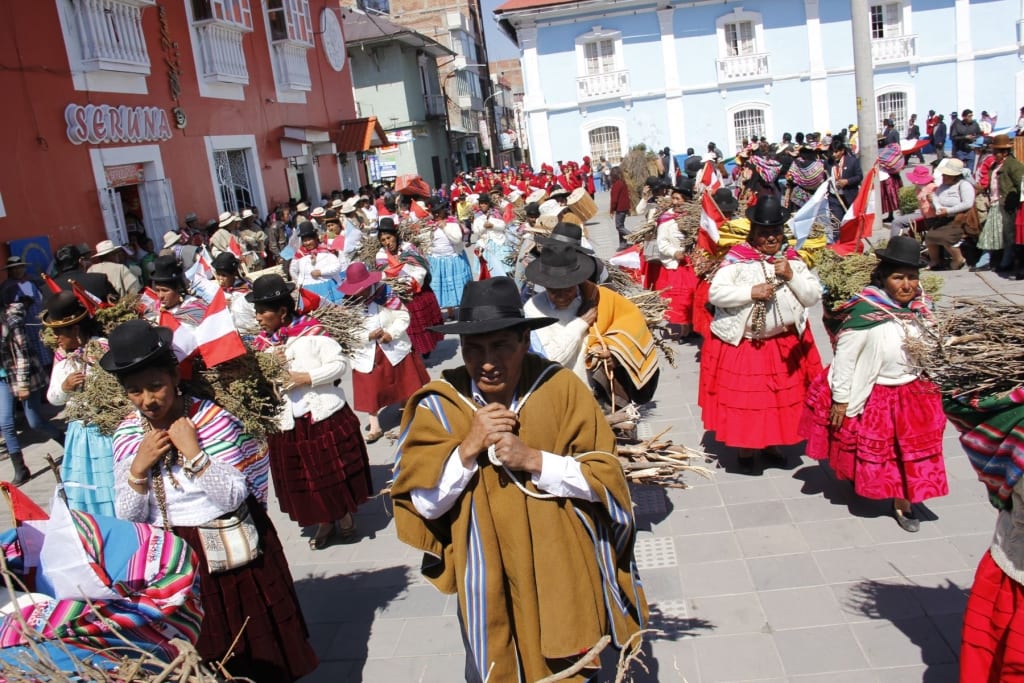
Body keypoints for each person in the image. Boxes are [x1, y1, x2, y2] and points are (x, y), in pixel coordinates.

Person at [390, 277, 648, 682]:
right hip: (485, 567)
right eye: (474, 350)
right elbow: (422, 504)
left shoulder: (560, 388)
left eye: (501, 347)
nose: (487, 362)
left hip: (560, 560)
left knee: (569, 665)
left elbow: (606, 478)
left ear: (524, 343)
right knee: (496, 661)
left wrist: (535, 460)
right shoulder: (441, 404)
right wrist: (467, 448)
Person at [105, 320, 317, 681]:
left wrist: (195, 455)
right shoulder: (128, 435)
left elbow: (235, 495)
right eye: (134, 391)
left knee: (248, 645)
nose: (148, 400)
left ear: (174, 377)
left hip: (227, 551)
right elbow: (129, 516)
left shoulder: (212, 419)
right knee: (198, 652)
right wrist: (139, 469)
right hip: (172, 560)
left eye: (155, 386)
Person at [799, 237, 947, 532]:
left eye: (912, 277)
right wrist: (840, 399)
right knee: (882, 452)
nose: (906, 285)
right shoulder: (865, 313)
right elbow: (845, 360)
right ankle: (877, 486)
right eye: (898, 277)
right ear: (883, 279)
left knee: (911, 452)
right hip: (877, 394)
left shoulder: (922, 310)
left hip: (914, 392)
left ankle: (904, 503)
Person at [248, 274, 373, 549]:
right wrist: (271, 372)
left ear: (282, 312)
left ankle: (343, 516)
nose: (258, 318)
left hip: (322, 417)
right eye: (256, 312)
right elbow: (259, 386)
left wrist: (307, 377)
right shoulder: (262, 346)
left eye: (262, 311)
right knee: (308, 479)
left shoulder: (312, 333)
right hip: (288, 424)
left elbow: (339, 364)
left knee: (332, 473)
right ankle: (323, 521)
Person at [699, 197, 823, 474]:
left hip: (785, 342)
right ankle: (747, 447)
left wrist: (792, 276)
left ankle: (772, 444)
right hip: (748, 343)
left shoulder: (793, 260)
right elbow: (715, 294)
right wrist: (750, 292)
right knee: (750, 401)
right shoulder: (736, 260)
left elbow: (812, 296)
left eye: (776, 232)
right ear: (753, 234)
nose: (771, 238)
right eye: (765, 233)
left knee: (778, 400)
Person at [524, 244, 659, 407]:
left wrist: (615, 356)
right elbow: (550, 359)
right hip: (563, 400)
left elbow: (629, 330)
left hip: (602, 395)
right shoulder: (533, 309)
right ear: (545, 285)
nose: (561, 296)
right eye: (554, 291)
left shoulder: (600, 298)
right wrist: (580, 324)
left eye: (568, 289)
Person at [340, 262, 429, 443]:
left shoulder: (385, 294)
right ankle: (375, 425)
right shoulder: (348, 304)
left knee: (403, 380)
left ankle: (407, 409)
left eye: (362, 288)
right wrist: (367, 335)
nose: (359, 292)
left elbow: (403, 316)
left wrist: (391, 333)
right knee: (370, 388)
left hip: (392, 345)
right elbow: (348, 332)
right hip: (366, 351)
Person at [45, 292, 117, 516]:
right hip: (80, 434)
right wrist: (65, 388)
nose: (57, 338)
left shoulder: (103, 349)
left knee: (109, 481)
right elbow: (52, 397)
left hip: (106, 431)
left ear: (75, 330)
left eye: (59, 333)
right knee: (85, 485)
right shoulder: (63, 360)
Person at [0, 286, 64, 485]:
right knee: (6, 423)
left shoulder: (12, 321)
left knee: (35, 422)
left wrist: (22, 385)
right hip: (4, 377)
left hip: (25, 375)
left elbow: (22, 354)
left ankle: (65, 441)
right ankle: (21, 469)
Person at [375, 217, 444, 357]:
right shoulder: (381, 255)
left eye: (389, 238)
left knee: (423, 323)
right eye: (383, 240)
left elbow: (421, 267)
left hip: (417, 290)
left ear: (395, 236)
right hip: (400, 294)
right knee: (408, 325)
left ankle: (426, 348)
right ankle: (414, 350)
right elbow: (382, 274)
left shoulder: (408, 248)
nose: (387, 242)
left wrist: (413, 281)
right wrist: (397, 285)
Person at [923, 158, 975, 270]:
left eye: (946, 175)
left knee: (946, 237)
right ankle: (935, 260)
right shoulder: (942, 186)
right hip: (943, 218)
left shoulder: (964, 185)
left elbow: (968, 203)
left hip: (958, 218)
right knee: (930, 237)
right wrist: (933, 203)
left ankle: (958, 259)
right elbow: (937, 201)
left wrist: (949, 211)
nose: (943, 177)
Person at [425, 198, 471, 316]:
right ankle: (450, 312)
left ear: (443, 211)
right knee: (442, 287)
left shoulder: (452, 223)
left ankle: (465, 311)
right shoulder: (429, 225)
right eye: (434, 212)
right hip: (437, 261)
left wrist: (445, 227)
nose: (436, 214)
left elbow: (457, 239)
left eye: (438, 211)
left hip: (454, 259)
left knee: (458, 287)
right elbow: (426, 243)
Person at [290, 220, 343, 303]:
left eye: (309, 239)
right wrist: (300, 283)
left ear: (315, 238)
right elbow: (293, 270)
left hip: (328, 288)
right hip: (309, 291)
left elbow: (337, 267)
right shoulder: (300, 255)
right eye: (305, 240)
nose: (307, 243)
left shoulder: (325, 250)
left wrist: (321, 272)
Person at [150, 255, 208, 326]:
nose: (160, 296)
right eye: (157, 290)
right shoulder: (153, 309)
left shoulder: (196, 310)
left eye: (165, 290)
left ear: (178, 288)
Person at [212, 252, 258, 334]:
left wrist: (231, 305)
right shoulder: (220, 291)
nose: (220, 278)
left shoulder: (247, 291)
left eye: (223, 275)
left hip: (249, 331)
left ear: (233, 274)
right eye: (218, 274)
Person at [890, 165, 936, 239]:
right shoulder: (919, 188)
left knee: (897, 222)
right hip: (922, 213)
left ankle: (893, 245)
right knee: (902, 222)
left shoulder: (932, 188)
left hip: (929, 216)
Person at [828, 137, 863, 232]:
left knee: (850, 224)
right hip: (834, 198)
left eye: (836, 152)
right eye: (832, 152)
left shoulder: (852, 161)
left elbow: (859, 177)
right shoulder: (828, 163)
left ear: (842, 151)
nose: (833, 155)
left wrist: (847, 181)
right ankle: (837, 243)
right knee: (836, 224)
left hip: (849, 197)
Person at [609, 166, 631, 248]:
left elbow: (614, 200)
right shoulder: (622, 182)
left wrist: (611, 211)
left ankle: (633, 236)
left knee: (619, 226)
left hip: (620, 208)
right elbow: (627, 197)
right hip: (624, 208)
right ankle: (623, 244)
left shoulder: (617, 184)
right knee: (621, 225)